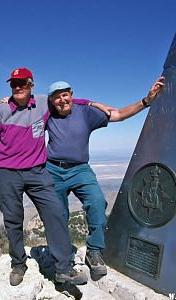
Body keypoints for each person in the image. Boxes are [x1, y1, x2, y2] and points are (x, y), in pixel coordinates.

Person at [45, 77, 165, 280]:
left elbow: (118, 115)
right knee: (57, 215)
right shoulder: (47, 115)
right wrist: (8, 101)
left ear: (72, 95)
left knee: (97, 202)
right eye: (56, 97)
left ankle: (94, 251)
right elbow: (26, 108)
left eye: (65, 95)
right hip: (53, 170)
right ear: (51, 101)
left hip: (80, 169)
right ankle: (63, 260)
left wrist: (146, 101)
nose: (62, 100)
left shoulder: (86, 113)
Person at [0, 68, 92, 286]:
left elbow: (66, 102)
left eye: (22, 84)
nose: (18, 88)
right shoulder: (1, 110)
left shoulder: (44, 103)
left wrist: (91, 104)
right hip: (7, 172)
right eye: (13, 84)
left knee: (55, 214)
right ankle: (18, 264)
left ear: (31, 86)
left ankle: (64, 268)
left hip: (37, 171)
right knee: (13, 220)